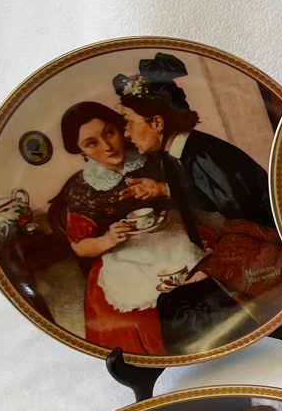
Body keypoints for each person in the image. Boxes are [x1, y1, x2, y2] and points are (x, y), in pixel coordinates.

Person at [57, 102, 216, 355]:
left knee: (206, 280)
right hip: (122, 255)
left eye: (109, 133)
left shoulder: (150, 158)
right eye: (91, 143)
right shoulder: (83, 189)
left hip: (170, 236)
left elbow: (192, 193)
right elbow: (80, 246)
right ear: (80, 151)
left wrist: (166, 198)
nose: (107, 146)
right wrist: (108, 239)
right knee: (141, 314)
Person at [114, 52, 275, 229]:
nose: (126, 133)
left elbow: (233, 209)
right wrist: (161, 189)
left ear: (157, 123)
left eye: (129, 123)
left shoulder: (203, 154)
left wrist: (166, 189)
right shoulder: (175, 153)